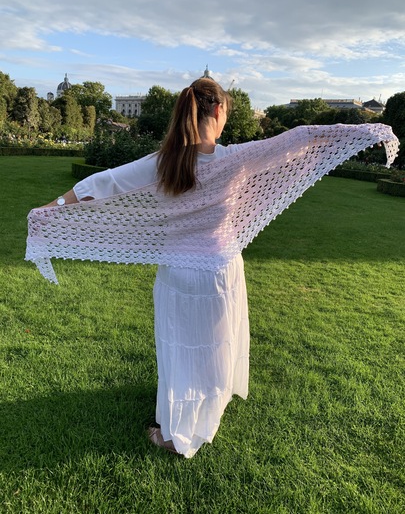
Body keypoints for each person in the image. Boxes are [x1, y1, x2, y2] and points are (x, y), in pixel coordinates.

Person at [31, 77, 399, 458]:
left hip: (177, 273)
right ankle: (192, 423)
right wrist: (367, 131)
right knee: (215, 345)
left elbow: (103, 184)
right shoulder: (235, 158)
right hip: (221, 270)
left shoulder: (163, 162)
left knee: (180, 349)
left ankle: (177, 428)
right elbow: (301, 138)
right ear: (219, 110)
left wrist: (49, 210)